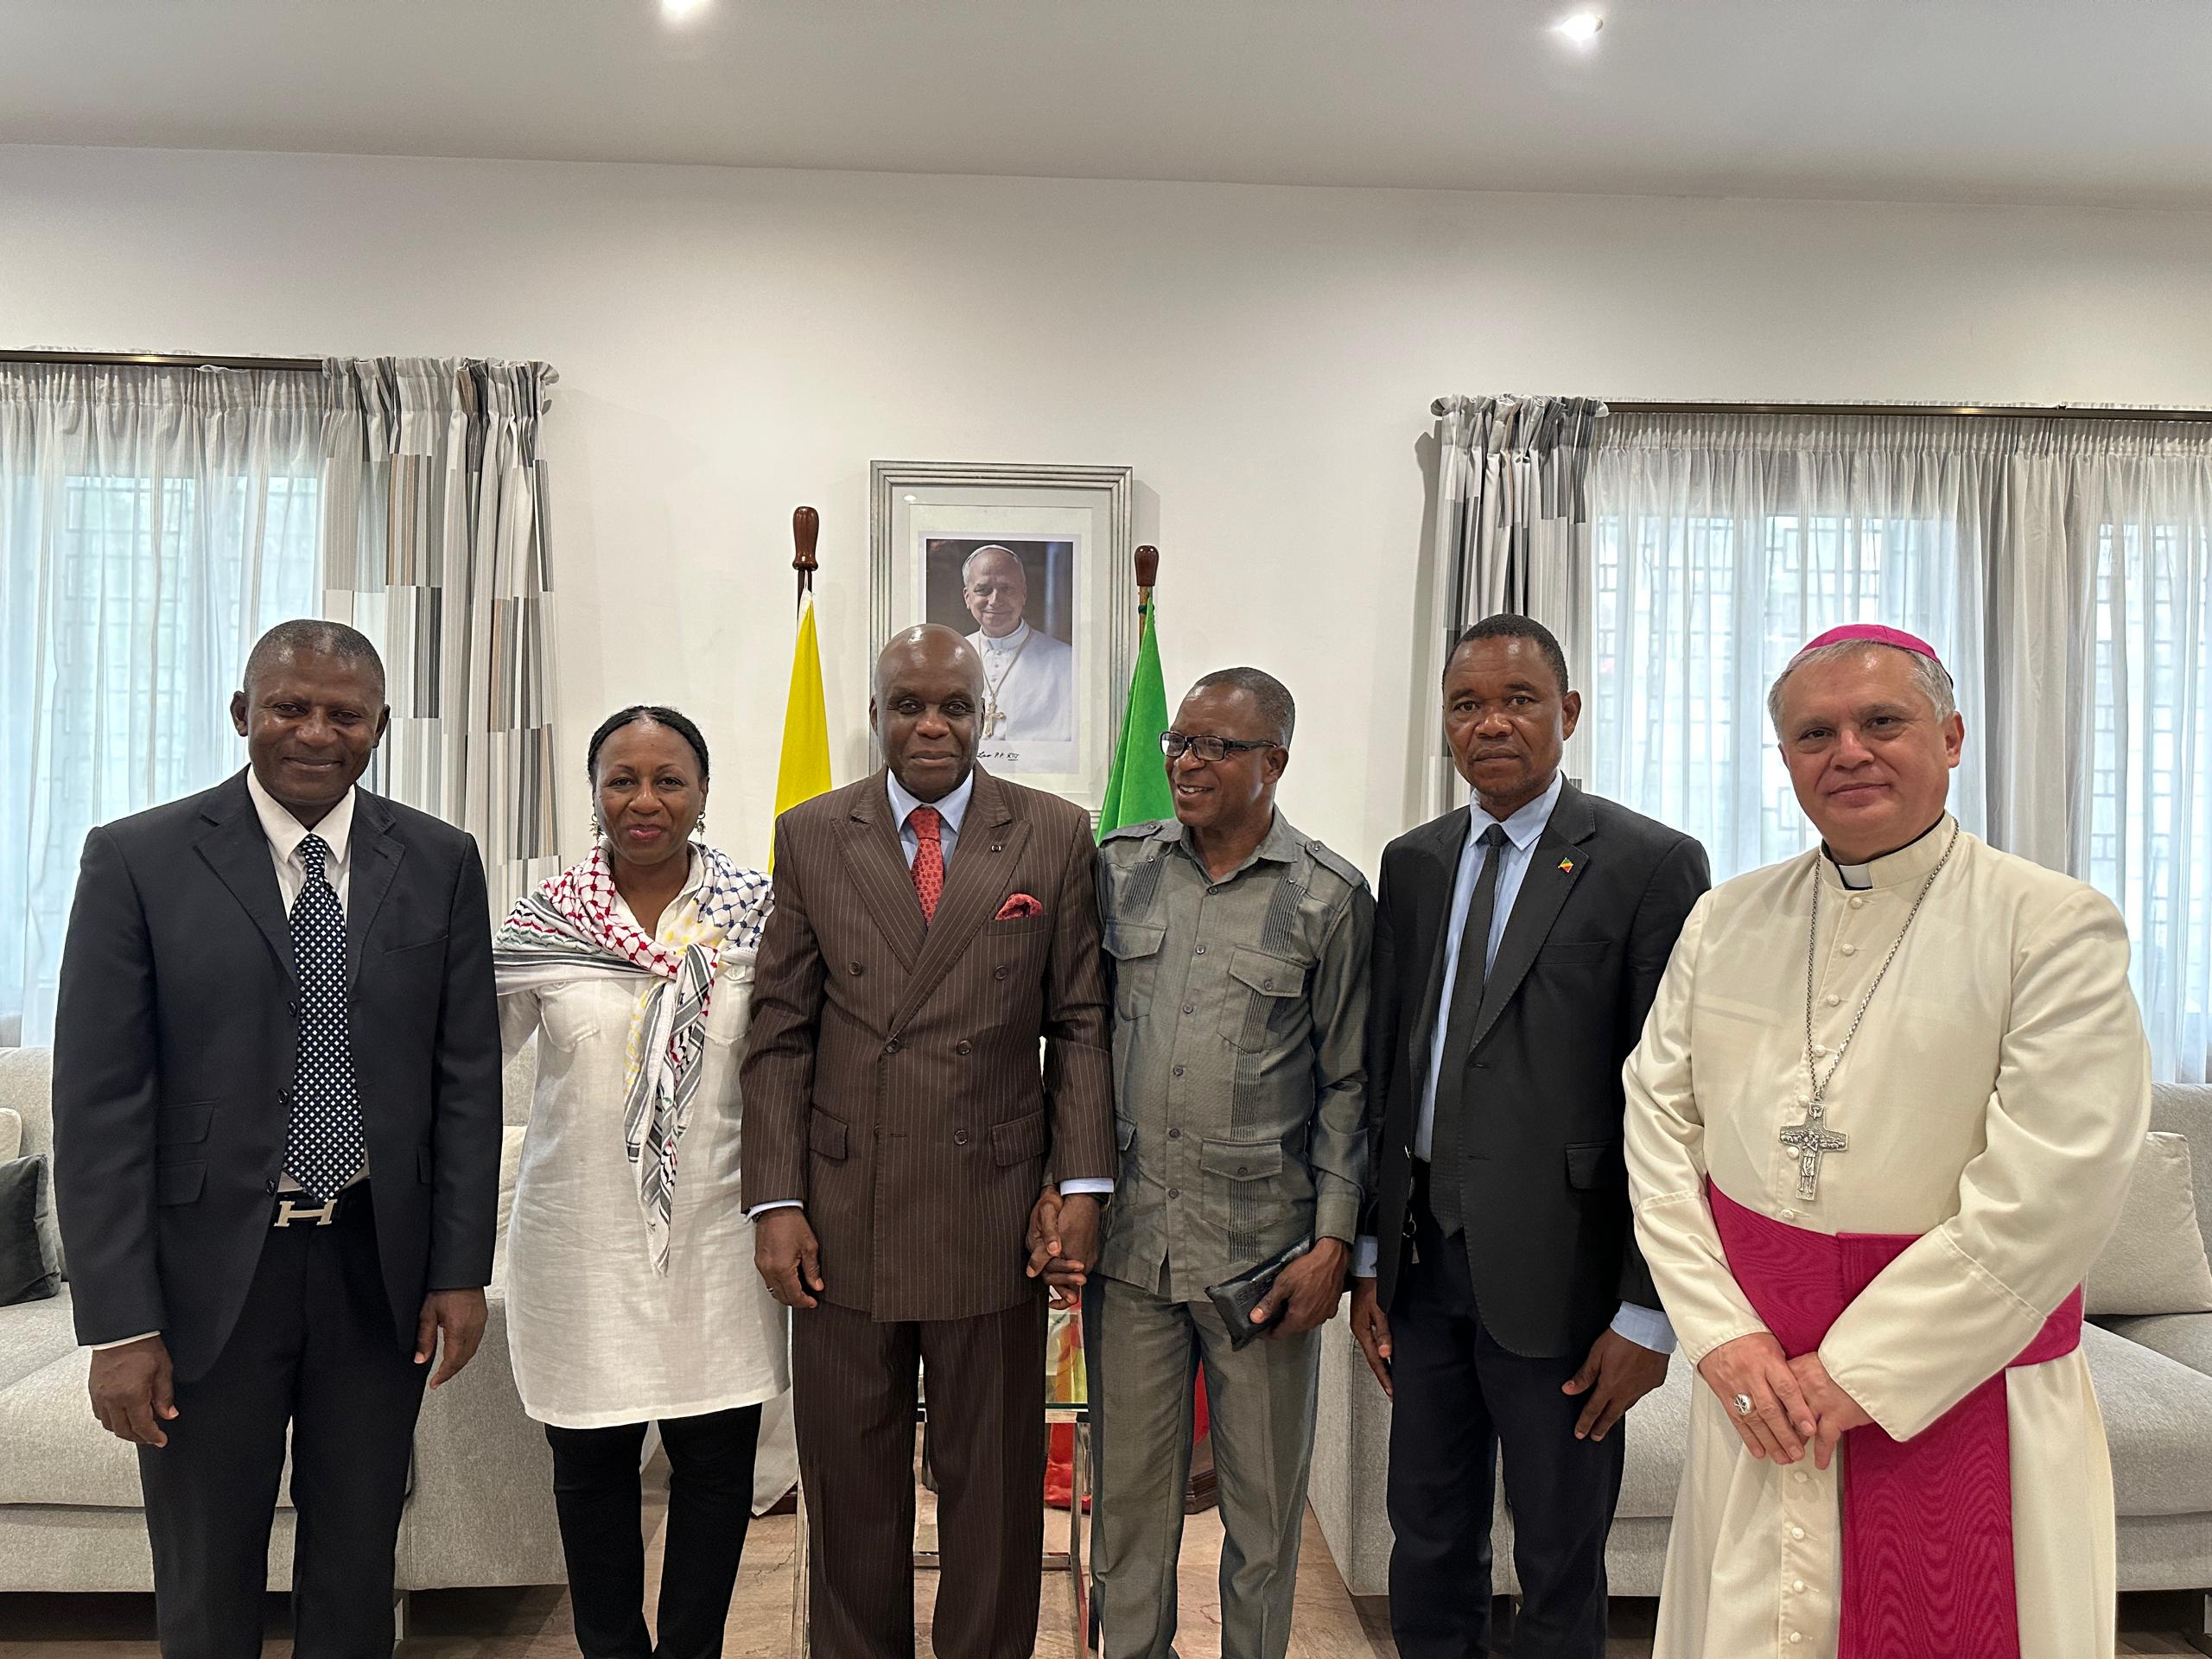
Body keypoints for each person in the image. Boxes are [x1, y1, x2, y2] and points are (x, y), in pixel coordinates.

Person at [1624, 623, 2152, 1659]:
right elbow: (1657, 1129)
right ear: (1786, 759)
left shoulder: (2051, 925)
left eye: (1881, 722)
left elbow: (2054, 1189)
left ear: (1950, 737)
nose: (1847, 752)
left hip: (1962, 1380)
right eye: (1813, 734)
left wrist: (1861, 1372)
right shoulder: (1725, 921)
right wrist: (1722, 1338)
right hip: (1762, 1380)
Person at [50, 620, 501, 1659]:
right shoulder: (137, 858)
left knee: (357, 1563)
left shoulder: (439, 860)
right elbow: (100, 1105)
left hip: (376, 1269)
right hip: (207, 1278)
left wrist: (458, 1269)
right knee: (207, 1575)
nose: (315, 732)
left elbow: (465, 1081)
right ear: (240, 713)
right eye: (290, 707)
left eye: (345, 714)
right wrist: (118, 1323)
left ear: (380, 727)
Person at [740, 623, 1115, 1659]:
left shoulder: (1051, 832)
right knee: (849, 1486)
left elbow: (1080, 1022)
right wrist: (775, 1202)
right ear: (875, 714)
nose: (933, 725)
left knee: (991, 1488)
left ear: (985, 714)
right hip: (840, 1213)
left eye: (954, 705)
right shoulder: (812, 833)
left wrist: (1081, 1183)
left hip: (991, 1210)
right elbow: (779, 1032)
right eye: (909, 705)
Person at [1351, 614, 1708, 1659]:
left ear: (1568, 712)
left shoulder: (1647, 863)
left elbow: (1678, 1103)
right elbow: (1389, 1067)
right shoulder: (1413, 863)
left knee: (1558, 1555)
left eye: (1518, 700)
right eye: (1467, 705)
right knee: (1425, 1537)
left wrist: (1648, 1312)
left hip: (1565, 1277)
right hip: (1423, 1269)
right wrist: (1370, 1255)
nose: (1491, 723)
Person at [1063, 668, 1370, 1659]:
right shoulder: (1119, 870)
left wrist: (1333, 1242)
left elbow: (1349, 1085)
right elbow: (1076, 1043)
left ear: (1274, 761)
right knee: (1128, 1518)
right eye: (1179, 742)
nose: (1186, 763)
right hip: (1132, 1253)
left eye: (1215, 747)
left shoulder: (1328, 896)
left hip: (1264, 1262)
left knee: (1263, 1523)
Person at [493, 705, 783, 1659]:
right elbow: (464, 1059)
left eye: (669, 780)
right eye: (623, 780)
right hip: (579, 1244)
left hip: (718, 1239)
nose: (645, 800)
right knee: (589, 1469)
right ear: (595, 793)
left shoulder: (760, 916)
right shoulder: (544, 921)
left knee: (715, 1469)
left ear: (702, 793)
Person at [960, 544, 1075, 747]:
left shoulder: (1068, 662)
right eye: (983, 590)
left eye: (1006, 589)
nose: (995, 600)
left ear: (1023, 594)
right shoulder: (952, 655)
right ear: (967, 598)